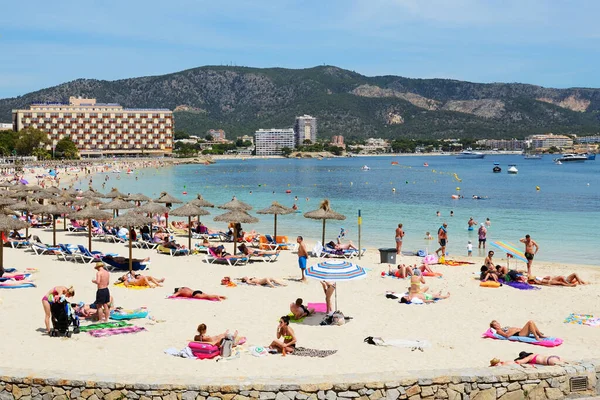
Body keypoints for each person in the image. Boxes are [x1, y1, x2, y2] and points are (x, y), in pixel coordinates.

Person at [490, 352, 564, 367]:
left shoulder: (528, 357)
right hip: (554, 356)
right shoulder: (534, 354)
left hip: (548, 361)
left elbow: (519, 362)